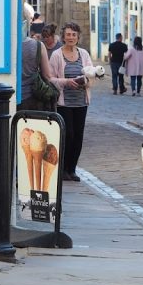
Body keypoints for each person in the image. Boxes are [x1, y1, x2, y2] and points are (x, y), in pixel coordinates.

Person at [49, 22, 95, 181]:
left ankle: (72, 169)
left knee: (78, 136)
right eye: (68, 35)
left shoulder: (84, 54)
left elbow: (92, 73)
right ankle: (62, 169)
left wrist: (86, 81)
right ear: (63, 37)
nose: (71, 37)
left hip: (81, 101)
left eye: (74, 35)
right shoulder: (56, 55)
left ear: (78, 37)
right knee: (67, 134)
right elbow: (50, 78)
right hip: (64, 102)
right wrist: (66, 82)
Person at [18, 5, 75, 113]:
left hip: (6, 98)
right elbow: (48, 76)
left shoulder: (5, 46)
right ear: (26, 22)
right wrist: (65, 83)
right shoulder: (38, 46)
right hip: (31, 98)